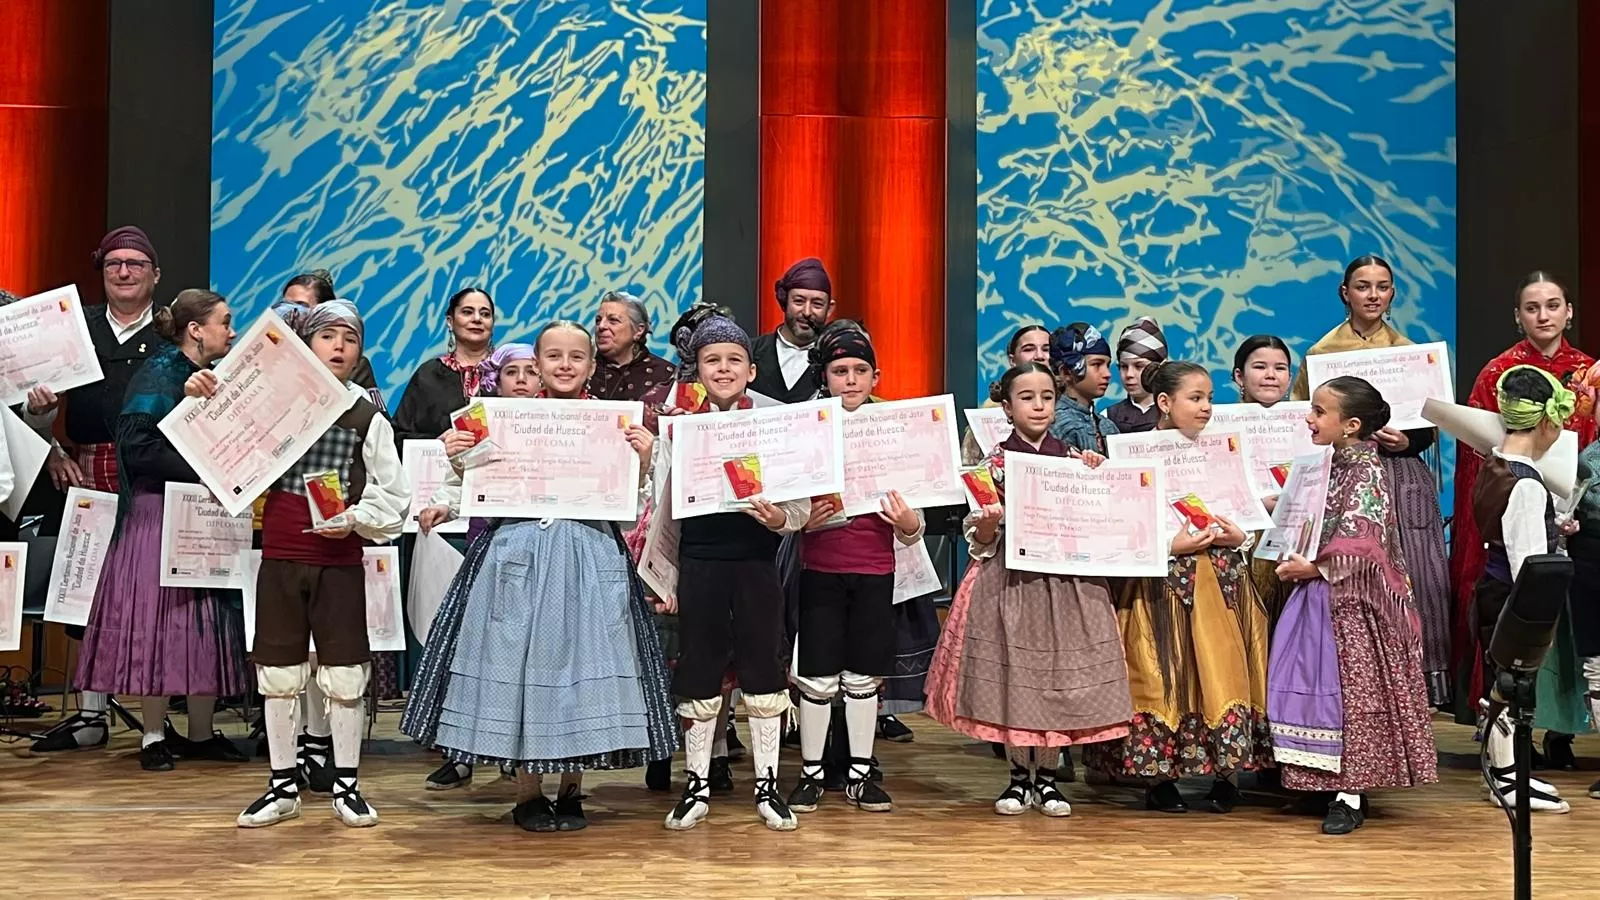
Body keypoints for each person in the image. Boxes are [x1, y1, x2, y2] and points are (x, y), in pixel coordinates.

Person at [402, 321, 676, 832]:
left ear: (591, 366)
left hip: (590, 553)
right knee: (520, 669)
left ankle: (571, 790)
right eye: (554, 356)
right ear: (539, 363)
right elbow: (474, 484)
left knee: (582, 668)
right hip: (517, 552)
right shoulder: (506, 420)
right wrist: (456, 465)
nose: (565, 365)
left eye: (576, 356)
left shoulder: (614, 424)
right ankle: (527, 793)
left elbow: (633, 505)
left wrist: (642, 461)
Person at [182, 300, 407, 827]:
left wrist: (355, 517)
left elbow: (393, 493)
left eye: (350, 339)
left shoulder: (364, 416)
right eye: (327, 336)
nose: (339, 347)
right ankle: (282, 786)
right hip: (281, 557)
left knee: (345, 674)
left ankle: (346, 784)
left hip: (338, 560)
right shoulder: (272, 404)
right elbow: (215, 442)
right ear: (307, 344)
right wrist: (198, 394)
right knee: (279, 672)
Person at [926, 361, 1133, 817]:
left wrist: (1098, 478)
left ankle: (1050, 779)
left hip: (1068, 584)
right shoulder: (992, 466)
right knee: (1017, 677)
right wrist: (989, 522)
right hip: (1010, 580)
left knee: (1058, 678)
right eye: (1026, 397)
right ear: (1007, 407)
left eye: (1046, 397)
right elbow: (979, 538)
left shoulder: (1075, 461)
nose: (1038, 406)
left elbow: (1102, 522)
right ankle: (1019, 778)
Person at [1083, 361, 1271, 813]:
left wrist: (1239, 536)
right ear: (1165, 402)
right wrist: (1171, 544)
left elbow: (1243, 512)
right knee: (1160, 672)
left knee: (1223, 670)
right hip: (1161, 581)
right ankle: (1158, 776)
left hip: (1221, 579)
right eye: (1196, 398)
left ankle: (1227, 773)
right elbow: (1123, 526)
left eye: (1209, 398)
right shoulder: (1135, 454)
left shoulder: (1223, 450)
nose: (1206, 407)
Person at [73, 289, 249, 771]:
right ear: (196, 330)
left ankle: (201, 733)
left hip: (204, 513)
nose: (232, 331)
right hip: (159, 512)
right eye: (224, 322)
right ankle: (153, 734)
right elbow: (137, 449)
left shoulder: (211, 378)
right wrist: (205, 470)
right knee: (160, 624)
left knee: (204, 621)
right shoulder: (159, 374)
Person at [1268, 375, 1439, 834]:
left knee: (1354, 691)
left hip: (1351, 598)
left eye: (1319, 411)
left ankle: (1351, 792)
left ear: (1351, 425)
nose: (1310, 418)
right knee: (1319, 685)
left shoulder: (1366, 469)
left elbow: (1363, 538)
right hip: (1321, 593)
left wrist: (1315, 567)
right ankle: (1322, 780)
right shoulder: (1331, 463)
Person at [661, 315, 811, 833]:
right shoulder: (679, 424)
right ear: (698, 370)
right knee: (699, 668)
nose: (723, 369)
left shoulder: (776, 422)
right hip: (700, 562)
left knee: (763, 668)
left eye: (733, 360)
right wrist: (664, 575)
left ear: (751, 369)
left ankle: (767, 787)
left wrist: (779, 519)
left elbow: (798, 505)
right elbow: (660, 503)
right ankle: (696, 786)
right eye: (712, 360)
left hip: (755, 563)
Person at [28, 227, 167, 754]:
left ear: (155, 273)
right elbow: (28, 405)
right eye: (113, 264)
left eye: (135, 263)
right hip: (87, 469)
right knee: (84, 590)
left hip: (153, 474)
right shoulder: (73, 329)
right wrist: (50, 445)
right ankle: (90, 716)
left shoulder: (173, 333)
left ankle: (155, 726)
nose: (123, 272)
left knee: (150, 595)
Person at [1291, 255, 1451, 709]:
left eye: (1382, 286)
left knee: (1414, 574)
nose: (1373, 295)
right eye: (1363, 286)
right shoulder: (1321, 354)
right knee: (1350, 572)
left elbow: (1430, 423)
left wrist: (1408, 440)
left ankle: (1416, 681)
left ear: (1393, 293)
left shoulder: (1410, 351)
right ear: (1346, 293)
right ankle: (1352, 681)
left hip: (1400, 474)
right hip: (1341, 472)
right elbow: (1304, 418)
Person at [1448, 272, 1597, 756]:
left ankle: (1563, 730)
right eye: (1532, 308)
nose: (1543, 316)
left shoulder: (1589, 373)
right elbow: (1477, 451)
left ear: (1569, 311)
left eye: (1553, 305)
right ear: (1518, 316)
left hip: (1580, 507)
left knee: (1571, 619)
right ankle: (1518, 740)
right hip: (1521, 496)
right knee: (1524, 612)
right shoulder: (1498, 372)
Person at [787, 324, 924, 815]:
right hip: (820, 568)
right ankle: (812, 774)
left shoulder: (894, 431)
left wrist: (908, 523)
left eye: (860, 370)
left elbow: (914, 519)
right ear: (825, 376)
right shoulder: (807, 428)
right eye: (840, 370)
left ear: (875, 377)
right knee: (818, 677)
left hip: (874, 569)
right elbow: (788, 505)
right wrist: (803, 519)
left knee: (864, 676)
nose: (850, 379)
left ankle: (860, 775)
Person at [1467, 366, 1587, 813]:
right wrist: (1537, 620)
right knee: (1512, 687)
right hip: (1515, 599)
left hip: (1494, 589)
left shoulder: (1495, 462)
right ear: (1548, 422)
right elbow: (1530, 565)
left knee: (1504, 683)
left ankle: (1507, 772)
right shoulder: (1527, 485)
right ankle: (1506, 778)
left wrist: (1553, 525)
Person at [1233, 334, 1298, 624]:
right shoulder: (1216, 427)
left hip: (1298, 540)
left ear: (1290, 377)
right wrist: (1256, 504)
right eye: (1260, 367)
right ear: (1239, 376)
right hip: (1242, 542)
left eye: (1280, 368)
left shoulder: (1312, 422)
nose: (1271, 375)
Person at [392, 287, 496, 444]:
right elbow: (397, 437)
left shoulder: (508, 371)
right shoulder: (428, 375)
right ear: (450, 321)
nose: (477, 319)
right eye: (467, 312)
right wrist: (437, 444)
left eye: (485, 314)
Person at [278, 270, 387, 412]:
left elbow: (381, 419)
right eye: (286, 305)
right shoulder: (274, 359)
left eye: (301, 306)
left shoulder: (352, 365)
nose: (290, 313)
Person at [961, 324, 1050, 465]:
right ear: (1012, 360)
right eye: (1029, 349)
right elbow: (970, 465)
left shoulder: (1067, 404)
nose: (1039, 356)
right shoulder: (991, 410)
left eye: (1046, 349)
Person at [751, 258, 835, 403]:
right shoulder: (750, 352)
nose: (807, 312)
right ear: (784, 302)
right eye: (799, 301)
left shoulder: (835, 359)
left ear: (829, 309)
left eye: (817, 304)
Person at [1046, 323, 1119, 455]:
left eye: (1107, 365)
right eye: (1097, 364)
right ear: (1067, 372)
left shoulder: (1108, 426)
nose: (1107, 374)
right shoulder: (1057, 424)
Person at [592, 290, 674, 401]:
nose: (601, 326)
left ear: (639, 330)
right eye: (598, 320)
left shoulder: (666, 375)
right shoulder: (582, 371)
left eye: (613, 320)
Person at [1105, 316, 1168, 434]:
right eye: (1124, 366)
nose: (1129, 374)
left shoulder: (1178, 412)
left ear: (1161, 366)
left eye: (1139, 366)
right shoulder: (1108, 417)